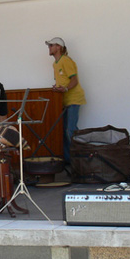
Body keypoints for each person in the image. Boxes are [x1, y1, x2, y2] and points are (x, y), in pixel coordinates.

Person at [46, 37, 86, 166]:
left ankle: (81, 160)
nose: (49, 48)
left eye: (51, 45)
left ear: (59, 47)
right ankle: (70, 161)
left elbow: (74, 80)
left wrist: (65, 89)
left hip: (73, 99)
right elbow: (62, 82)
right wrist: (57, 88)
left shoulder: (66, 61)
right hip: (63, 101)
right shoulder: (55, 64)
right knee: (63, 131)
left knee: (70, 130)